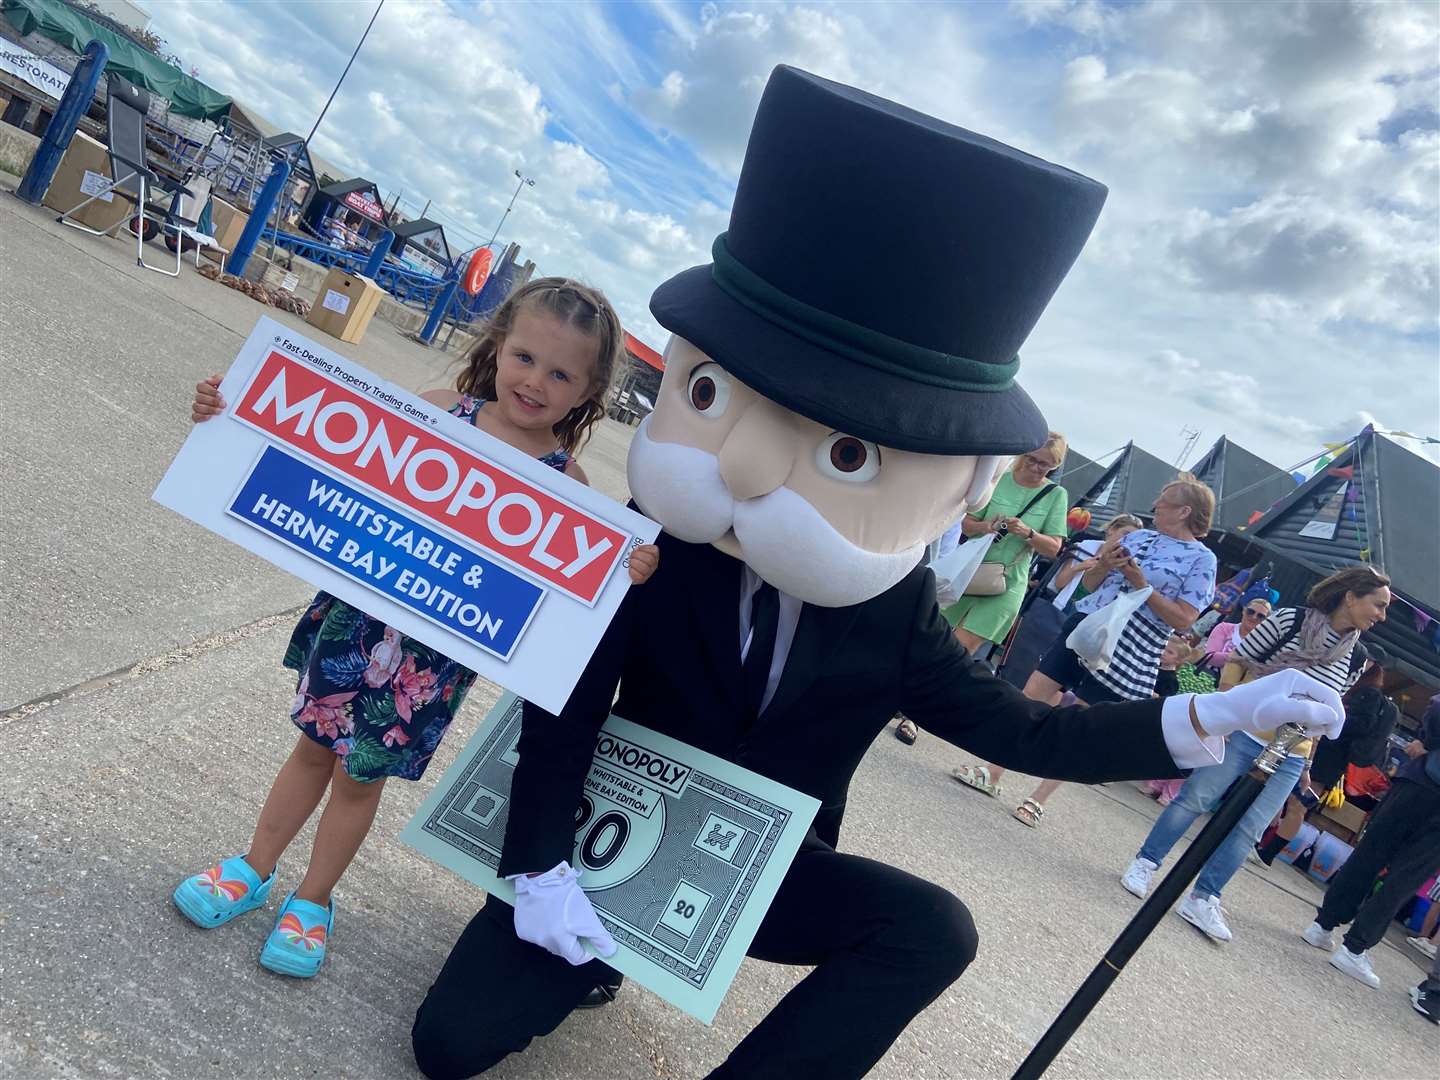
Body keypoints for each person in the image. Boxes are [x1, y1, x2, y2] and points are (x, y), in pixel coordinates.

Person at [406, 67, 1342, 1080]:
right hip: (606, 837)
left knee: (932, 930)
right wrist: (538, 867)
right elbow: (567, 708)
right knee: (448, 1048)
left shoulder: (893, 605)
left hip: (755, 868)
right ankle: (595, 947)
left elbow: (1021, 728)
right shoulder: (655, 541)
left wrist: (1216, 713)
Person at [170, 278, 660, 978]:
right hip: (356, 628)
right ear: (497, 347)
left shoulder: (569, 486)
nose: (535, 381)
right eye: (524, 357)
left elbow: (573, 598)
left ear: (587, 392)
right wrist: (227, 411)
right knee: (311, 749)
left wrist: (626, 571)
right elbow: (306, 451)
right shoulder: (431, 415)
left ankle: (313, 900)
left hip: (428, 666)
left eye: (560, 374)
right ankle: (253, 867)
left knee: (359, 781)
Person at [1122, 566, 1392, 942]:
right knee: (1196, 798)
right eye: (1377, 605)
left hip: (1292, 751)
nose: (1381, 616)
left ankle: (1204, 897)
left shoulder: (1357, 654)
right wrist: (1226, 711)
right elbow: (1238, 659)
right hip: (1246, 730)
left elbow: (1324, 708)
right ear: (1351, 597)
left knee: (1251, 828)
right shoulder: (1290, 620)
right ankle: (1146, 863)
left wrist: (1307, 764)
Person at [952, 475, 1218, 825]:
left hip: (1132, 641)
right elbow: (1089, 585)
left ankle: (1037, 798)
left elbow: (1184, 618)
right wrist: (1106, 564)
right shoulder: (1138, 537)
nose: (1155, 506)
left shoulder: (1203, 560)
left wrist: (1143, 586)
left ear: (1185, 511)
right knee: (1034, 693)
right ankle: (993, 771)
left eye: (1164, 501)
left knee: (1086, 718)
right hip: (1089, 619)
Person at [894, 435, 1068, 743]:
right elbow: (965, 523)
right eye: (1033, 459)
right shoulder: (998, 479)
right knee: (930, 635)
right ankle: (897, 693)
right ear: (1023, 454)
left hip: (1008, 582)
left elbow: (1055, 547)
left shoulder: (1056, 495)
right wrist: (988, 527)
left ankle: (914, 715)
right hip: (967, 571)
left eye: (1046, 465)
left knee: (959, 649)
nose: (1038, 468)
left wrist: (1028, 533)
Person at [1303, 689, 1440, 988]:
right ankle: (1355, 947)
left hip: (1415, 781)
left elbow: (1436, 707)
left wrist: (1429, 742)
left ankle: (1323, 924)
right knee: (1405, 877)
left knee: (1369, 854)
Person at [1255, 656, 1399, 865]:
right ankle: (1263, 844)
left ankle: (1268, 852)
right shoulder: (1351, 687)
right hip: (1325, 755)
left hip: (1329, 756)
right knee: (1288, 798)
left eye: (1366, 662)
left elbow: (1361, 726)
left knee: (1298, 804)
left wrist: (1332, 721)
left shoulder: (1367, 694)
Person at [1199, 598, 1271, 672]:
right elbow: (1211, 658)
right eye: (1250, 611)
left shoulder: (1262, 644)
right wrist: (1243, 659)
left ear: (1265, 621)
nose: (1254, 617)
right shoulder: (1224, 628)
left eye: (1261, 616)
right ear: (1244, 611)